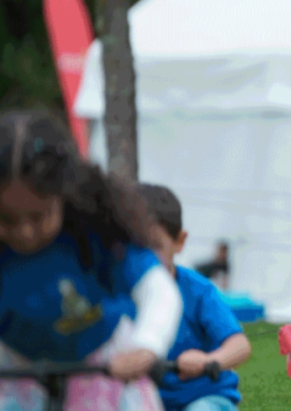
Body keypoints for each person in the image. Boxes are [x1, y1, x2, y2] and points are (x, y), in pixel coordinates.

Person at [0, 109, 182, 410]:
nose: (25, 232)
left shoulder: (95, 232)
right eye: (6, 219)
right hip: (16, 367)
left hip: (105, 359)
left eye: (39, 216)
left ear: (62, 195)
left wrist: (146, 346)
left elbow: (159, 291)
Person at [139, 183, 251, 411]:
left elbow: (240, 346)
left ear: (179, 241)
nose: (145, 259)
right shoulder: (117, 290)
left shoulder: (198, 290)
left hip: (204, 400)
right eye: (135, 248)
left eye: (156, 247)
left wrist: (209, 362)